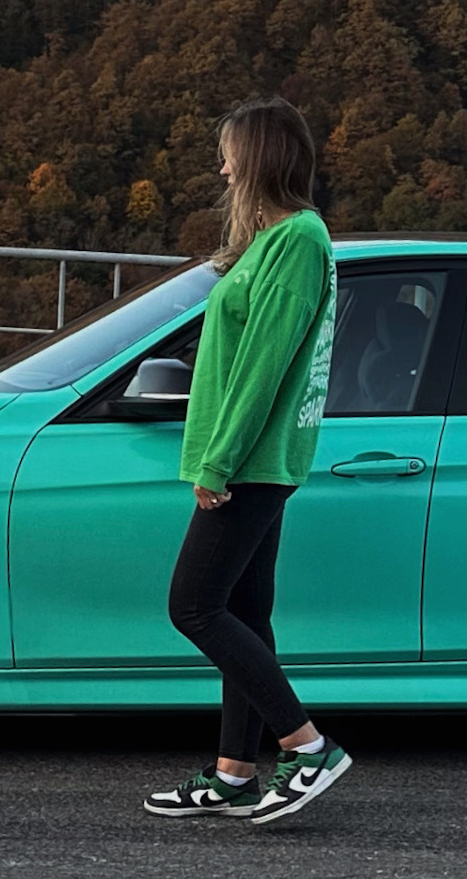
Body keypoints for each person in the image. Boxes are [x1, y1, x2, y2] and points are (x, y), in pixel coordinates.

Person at [142, 96, 349, 825]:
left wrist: (218, 462)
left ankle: (308, 746)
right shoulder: (274, 241)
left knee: (193, 606)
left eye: (230, 156)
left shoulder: (298, 240)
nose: (223, 170)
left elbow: (263, 366)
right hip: (251, 459)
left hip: (252, 461)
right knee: (242, 614)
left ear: (259, 159)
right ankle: (234, 773)